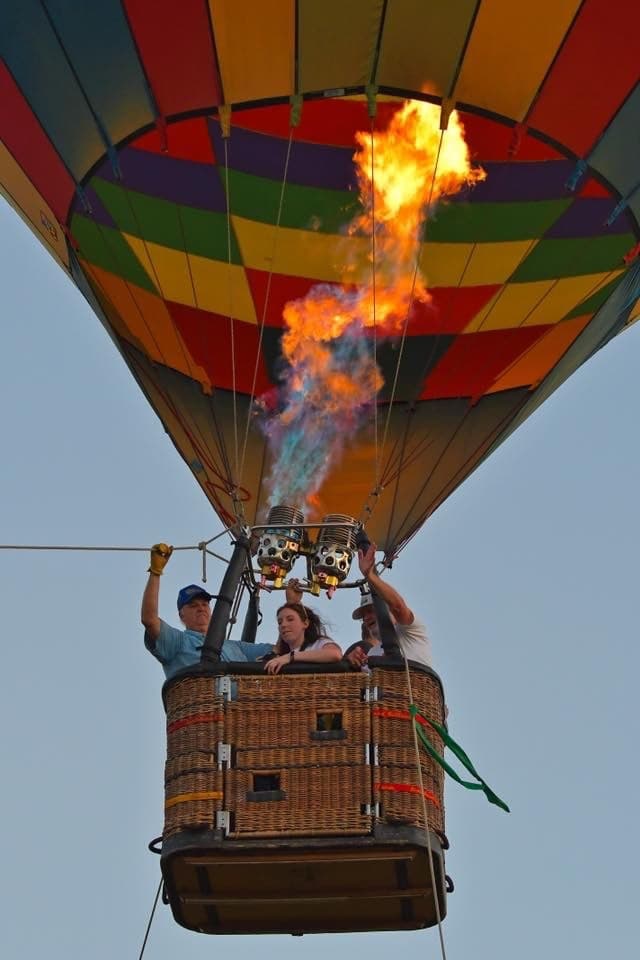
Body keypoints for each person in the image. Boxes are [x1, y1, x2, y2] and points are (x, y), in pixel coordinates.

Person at [142, 543, 274, 679]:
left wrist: (293, 604)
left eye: (205, 604)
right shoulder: (179, 642)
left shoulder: (235, 647)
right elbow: (149, 620)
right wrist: (155, 572)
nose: (200, 608)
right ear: (181, 616)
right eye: (193, 605)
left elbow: (278, 649)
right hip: (200, 698)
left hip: (239, 700)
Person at [347, 541, 432, 668]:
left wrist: (370, 576)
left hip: (412, 687)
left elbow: (398, 606)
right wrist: (351, 662)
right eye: (363, 616)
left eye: (371, 610)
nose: (366, 618)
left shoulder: (411, 631)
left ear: (387, 608)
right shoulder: (372, 652)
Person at [265, 601, 342, 674]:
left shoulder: (318, 643)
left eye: (290, 619)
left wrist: (291, 657)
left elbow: (335, 654)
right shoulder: (281, 657)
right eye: (280, 622)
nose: (283, 625)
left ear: (305, 623)